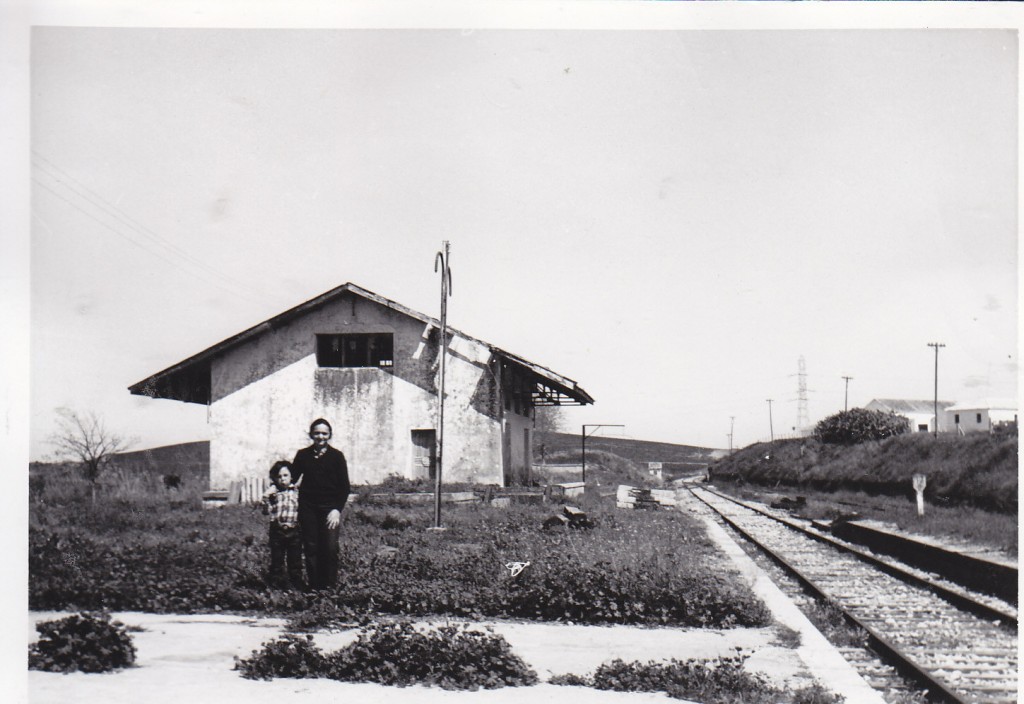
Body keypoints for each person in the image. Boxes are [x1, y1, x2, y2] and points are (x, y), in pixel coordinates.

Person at [291, 418, 350, 590]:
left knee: (330, 548)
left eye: (324, 433)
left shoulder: (337, 456)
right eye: (317, 433)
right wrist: (274, 487)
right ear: (311, 434)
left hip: (329, 509)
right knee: (311, 547)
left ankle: (329, 589)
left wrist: (336, 510)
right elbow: (292, 477)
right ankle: (314, 588)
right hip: (308, 508)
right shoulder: (302, 455)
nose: (320, 437)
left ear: (330, 435)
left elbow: (344, 487)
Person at [260, 460, 304, 590]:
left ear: (291, 477)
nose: (282, 479)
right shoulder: (274, 493)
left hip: (294, 530)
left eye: (285, 475)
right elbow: (265, 512)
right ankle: (276, 585)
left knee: (295, 560)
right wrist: (266, 498)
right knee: (277, 560)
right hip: (277, 530)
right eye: (279, 476)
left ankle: (296, 586)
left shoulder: (297, 491)